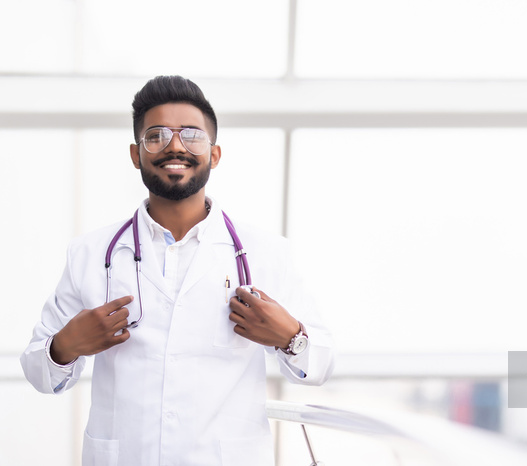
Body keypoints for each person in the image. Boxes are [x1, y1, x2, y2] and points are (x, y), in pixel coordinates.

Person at [20, 76, 334, 466]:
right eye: (156, 136)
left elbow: (321, 365)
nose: (175, 146)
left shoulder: (266, 253)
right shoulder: (90, 253)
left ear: (214, 155)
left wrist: (290, 337)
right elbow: (38, 370)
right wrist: (66, 345)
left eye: (191, 135)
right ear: (136, 154)